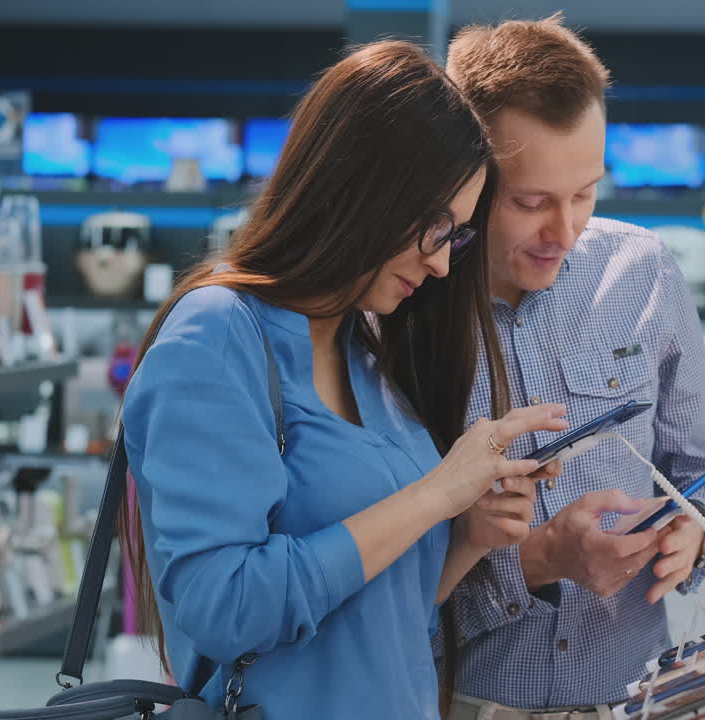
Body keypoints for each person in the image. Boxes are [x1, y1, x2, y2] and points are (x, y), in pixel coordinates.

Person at [118, 41, 566, 720]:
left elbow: (380, 623)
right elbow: (226, 608)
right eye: (438, 227)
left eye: (458, 237)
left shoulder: (363, 349)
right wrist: (434, 494)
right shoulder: (216, 336)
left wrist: (468, 532)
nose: (444, 265)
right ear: (363, 190)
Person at [439, 15, 705, 717]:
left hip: (636, 699)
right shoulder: (406, 312)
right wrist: (537, 559)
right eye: (531, 202)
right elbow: (384, 592)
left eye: (584, 193)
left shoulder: (643, 273)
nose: (566, 231)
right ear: (466, 180)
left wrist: (695, 532)